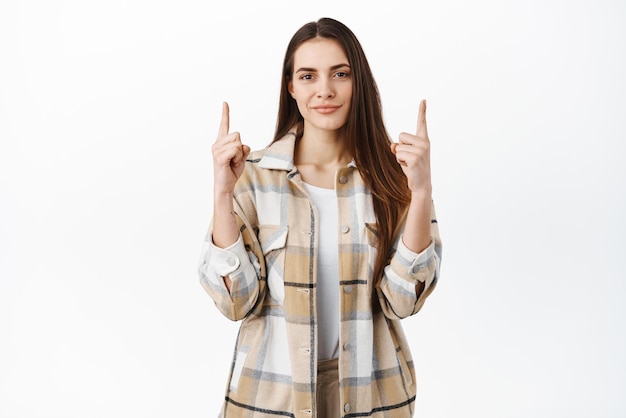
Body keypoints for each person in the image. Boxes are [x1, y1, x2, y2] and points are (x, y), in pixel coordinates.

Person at [198, 17, 442, 418]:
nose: (324, 90)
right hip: (271, 398)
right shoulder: (253, 176)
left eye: (340, 74)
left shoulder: (393, 178)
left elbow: (402, 302)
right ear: (291, 86)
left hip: (372, 397)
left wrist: (421, 193)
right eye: (308, 76)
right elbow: (235, 301)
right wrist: (222, 192)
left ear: (358, 81)